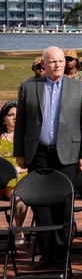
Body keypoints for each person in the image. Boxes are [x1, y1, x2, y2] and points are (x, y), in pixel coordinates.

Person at [14, 46, 82, 269]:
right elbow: (21, 123)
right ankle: (47, 254)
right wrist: (19, 152)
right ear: (43, 63)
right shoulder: (28, 87)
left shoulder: (79, 88)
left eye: (60, 61)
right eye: (52, 62)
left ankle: (63, 256)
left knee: (63, 206)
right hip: (38, 154)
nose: (57, 65)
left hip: (67, 155)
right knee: (41, 206)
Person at [0, 101, 29, 247]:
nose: (14, 118)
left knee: (20, 199)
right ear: (4, 118)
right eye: (10, 115)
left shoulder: (25, 138)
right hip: (0, 178)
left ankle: (19, 230)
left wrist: (16, 170)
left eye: (17, 115)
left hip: (19, 176)